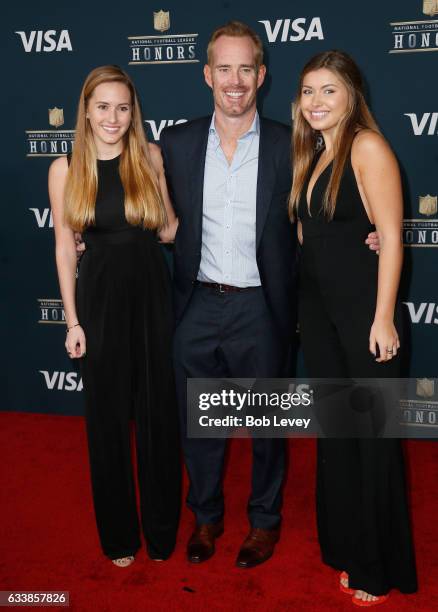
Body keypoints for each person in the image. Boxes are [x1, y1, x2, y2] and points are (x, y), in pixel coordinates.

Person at [159, 23, 380, 569]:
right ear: (208, 74)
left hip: (263, 306)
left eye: (246, 69)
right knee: (202, 424)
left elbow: (326, 208)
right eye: (224, 69)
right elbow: (147, 208)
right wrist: (80, 229)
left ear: (262, 75)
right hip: (197, 304)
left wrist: (368, 235)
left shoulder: (292, 141)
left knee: (266, 428)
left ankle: (263, 522)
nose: (235, 81)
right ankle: (206, 517)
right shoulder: (177, 142)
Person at [290, 50, 417, 604]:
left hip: (364, 313)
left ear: (351, 96)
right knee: (339, 435)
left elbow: (390, 236)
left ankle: (376, 568)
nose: (316, 102)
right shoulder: (315, 152)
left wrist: (384, 317)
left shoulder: (366, 146)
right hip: (320, 316)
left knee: (370, 437)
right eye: (309, 91)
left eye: (329, 91)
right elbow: (312, 238)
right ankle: (345, 544)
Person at [49, 65, 181, 568]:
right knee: (105, 421)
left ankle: (162, 532)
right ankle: (120, 537)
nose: (113, 117)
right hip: (99, 298)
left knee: (158, 417)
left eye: (123, 107)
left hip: (152, 294)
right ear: (85, 109)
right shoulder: (65, 169)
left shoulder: (149, 156)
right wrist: (73, 321)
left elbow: (168, 229)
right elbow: (64, 248)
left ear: (134, 111)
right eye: (103, 106)